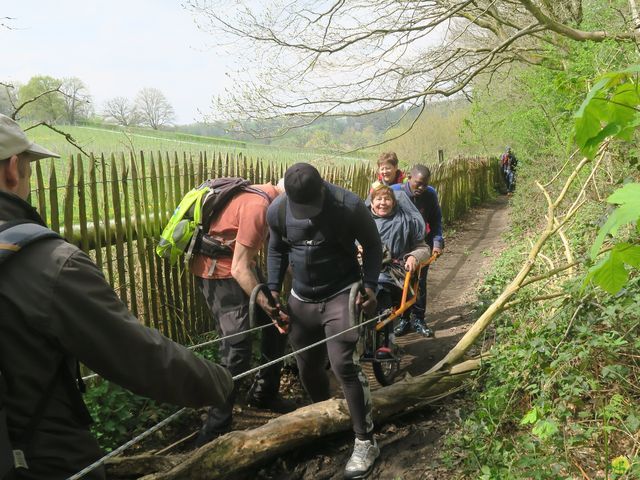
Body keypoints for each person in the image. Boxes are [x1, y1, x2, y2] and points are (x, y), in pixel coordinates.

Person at [0, 113, 233, 480]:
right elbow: (138, 353)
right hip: (37, 458)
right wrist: (219, 381)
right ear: (13, 169)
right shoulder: (48, 265)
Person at [266, 163, 382, 480]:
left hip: (341, 294)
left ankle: (366, 439)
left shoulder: (348, 206)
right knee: (308, 367)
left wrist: (370, 286)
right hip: (301, 299)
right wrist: (273, 289)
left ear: (322, 188)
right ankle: (326, 417)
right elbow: (275, 248)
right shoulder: (277, 211)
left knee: (343, 363)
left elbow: (373, 245)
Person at [190, 178, 295, 446]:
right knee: (236, 348)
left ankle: (264, 393)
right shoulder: (259, 206)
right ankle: (216, 426)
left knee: (276, 323)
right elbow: (239, 268)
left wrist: (273, 302)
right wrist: (266, 303)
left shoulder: (269, 200)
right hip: (220, 274)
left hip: (236, 267)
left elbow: (276, 251)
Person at [391, 164, 444, 337]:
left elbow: (436, 220)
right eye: (418, 183)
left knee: (419, 281)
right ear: (408, 177)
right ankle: (404, 319)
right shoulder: (394, 192)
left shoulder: (430, 194)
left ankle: (419, 320)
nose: (421, 188)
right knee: (401, 282)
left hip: (421, 244)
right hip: (399, 244)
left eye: (425, 184)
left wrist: (437, 242)